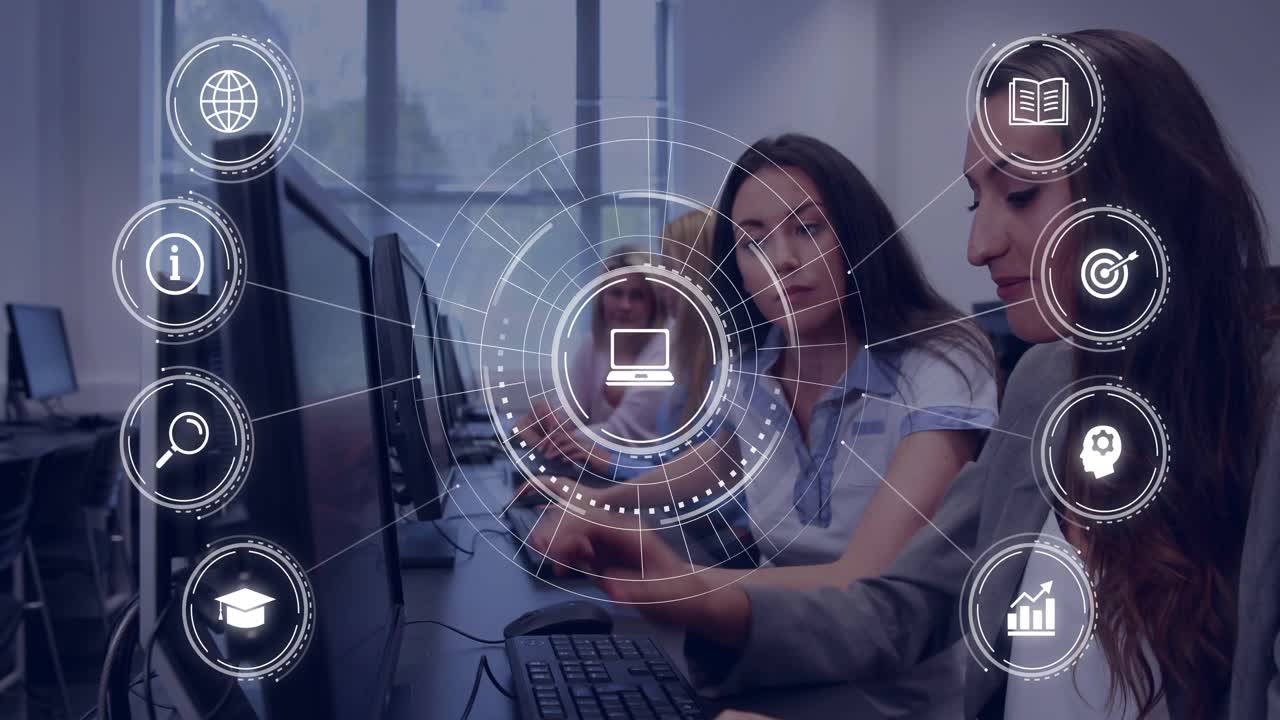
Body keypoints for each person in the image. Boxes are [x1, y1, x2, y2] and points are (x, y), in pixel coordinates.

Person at [538, 30, 1279, 720]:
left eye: (1022, 194)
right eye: (977, 200)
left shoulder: (1253, 427)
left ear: (1142, 194)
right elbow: (902, 604)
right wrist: (679, 582)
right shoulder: (1046, 385)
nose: (978, 245)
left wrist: (690, 578)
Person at [533, 133, 998, 582]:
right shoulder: (751, 366)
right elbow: (721, 457)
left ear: (857, 235)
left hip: (886, 631)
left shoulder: (942, 360)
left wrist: (677, 583)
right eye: (754, 243)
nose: (781, 260)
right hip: (770, 619)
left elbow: (867, 583)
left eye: (808, 229)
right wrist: (600, 501)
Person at [516, 246, 668, 464]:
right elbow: (569, 411)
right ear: (602, 299)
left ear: (653, 304)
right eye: (616, 293)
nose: (625, 305)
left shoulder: (664, 350)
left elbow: (620, 434)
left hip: (646, 473)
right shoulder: (594, 344)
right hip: (597, 467)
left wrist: (545, 439)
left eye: (637, 296)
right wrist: (547, 418)